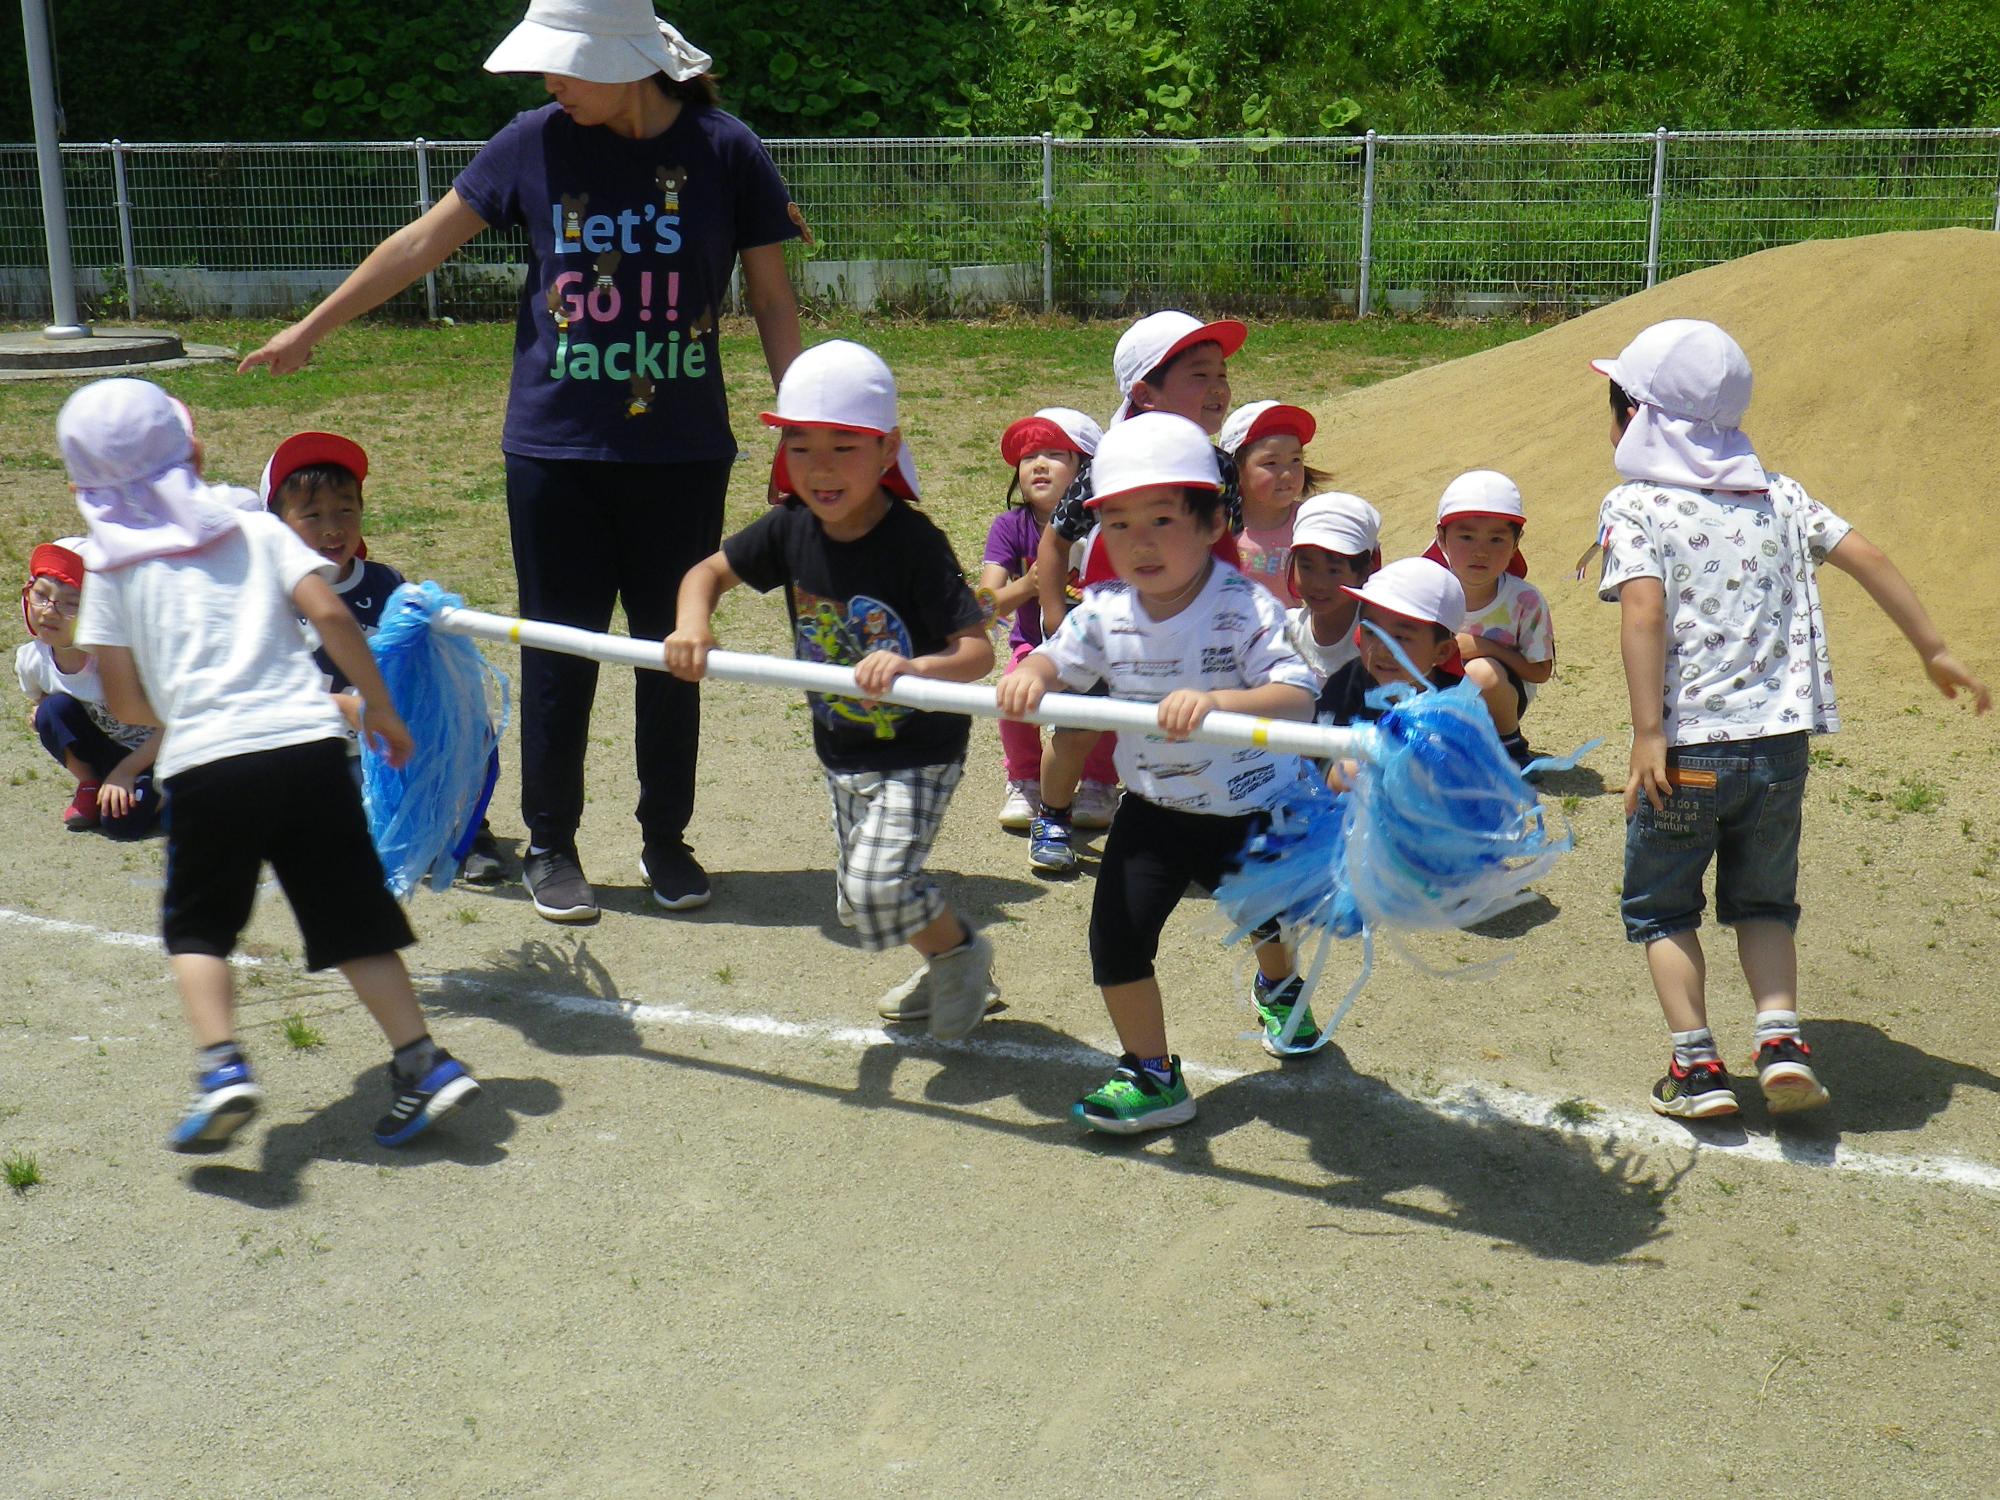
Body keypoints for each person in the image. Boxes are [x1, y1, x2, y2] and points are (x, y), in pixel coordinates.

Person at [238, 0, 806, 924]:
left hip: (682, 450)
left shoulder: (726, 149)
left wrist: (800, 424)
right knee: (555, 649)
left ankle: (666, 837)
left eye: (563, 68)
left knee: (674, 652)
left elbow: (774, 302)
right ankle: (552, 841)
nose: (549, 85)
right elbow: (422, 242)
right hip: (553, 452)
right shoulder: (530, 142)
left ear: (626, 64)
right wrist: (313, 327)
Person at [63, 378, 479, 1153]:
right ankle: (422, 1061)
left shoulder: (113, 572)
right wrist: (380, 708)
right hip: (308, 747)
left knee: (198, 928)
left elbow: (123, 695)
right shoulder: (253, 529)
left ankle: (222, 1067)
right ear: (192, 451)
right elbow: (327, 611)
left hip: (209, 765)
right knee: (353, 919)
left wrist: (189, 710)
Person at [1592, 318, 1988, 1120]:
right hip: (1777, 754)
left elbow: (1643, 609)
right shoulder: (1781, 495)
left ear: (1639, 417)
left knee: (1664, 908)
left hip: (1687, 752)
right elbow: (1867, 554)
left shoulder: (1635, 505)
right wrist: (1933, 648)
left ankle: (1697, 1068)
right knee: (1764, 901)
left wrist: (1646, 734)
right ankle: (1780, 1044)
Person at [997, 412, 1319, 1133]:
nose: (1138, 543)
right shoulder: (1106, 611)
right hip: (1151, 810)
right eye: (1117, 524)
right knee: (1116, 939)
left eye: (1162, 520)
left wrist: (1217, 702)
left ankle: (1280, 985)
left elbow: (1298, 693)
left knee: (1263, 921)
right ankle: (1151, 1073)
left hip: (1244, 807)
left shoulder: (1243, 608)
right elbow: (1062, 655)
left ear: (1211, 524)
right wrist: (1037, 672)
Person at [665, 340, 998, 1038]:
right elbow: (707, 574)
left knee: (879, 890)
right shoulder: (790, 527)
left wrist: (914, 672)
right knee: (860, 904)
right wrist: (693, 625)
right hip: (841, 751)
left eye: (844, 447)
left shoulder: (914, 544)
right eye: (800, 446)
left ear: (887, 452)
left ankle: (961, 955)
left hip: (920, 748)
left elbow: (974, 655)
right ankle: (945, 958)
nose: (819, 467)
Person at [1027, 310, 1249, 873]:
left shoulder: (1221, 468)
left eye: (1222, 373)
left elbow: (1230, 551)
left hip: (1190, 630)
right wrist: (1056, 617)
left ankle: (1177, 822)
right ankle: (1052, 813)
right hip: (1111, 625)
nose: (1219, 387)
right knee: (1077, 730)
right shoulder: (1110, 464)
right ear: (1145, 393)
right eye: (1199, 375)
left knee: (1184, 733)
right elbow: (1055, 542)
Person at [260, 431, 505, 883]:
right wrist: (347, 707)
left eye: (345, 510)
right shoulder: (268, 599)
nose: (333, 527)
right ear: (275, 526)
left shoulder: (386, 584)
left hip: (389, 738)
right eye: (312, 515)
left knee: (464, 728)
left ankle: (466, 832)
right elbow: (267, 694)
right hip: (320, 749)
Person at [979, 407, 1115, 829]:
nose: (1038, 463)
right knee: (1013, 695)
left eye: (1056, 453)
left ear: (1086, 469)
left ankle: (1098, 783)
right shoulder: (1010, 526)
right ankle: (1025, 781)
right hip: (1033, 647)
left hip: (1097, 647)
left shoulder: (1107, 524)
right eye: (1027, 456)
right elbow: (982, 607)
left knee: (1105, 703)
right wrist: (1028, 585)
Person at [15, 538, 161, 838]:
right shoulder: (32, 660)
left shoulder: (119, 663)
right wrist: (40, 712)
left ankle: (176, 791)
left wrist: (127, 771)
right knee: (50, 710)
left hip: (159, 754)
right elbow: (45, 699)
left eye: (71, 603)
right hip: (108, 750)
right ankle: (90, 782)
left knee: (122, 824)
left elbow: (174, 726)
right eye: (41, 595)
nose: (50, 611)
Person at [1432, 470, 1554, 766]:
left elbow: (1540, 672)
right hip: (1437, 695)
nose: (1480, 551)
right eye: (1466, 536)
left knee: (1481, 671)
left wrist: (1485, 648)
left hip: (1499, 693)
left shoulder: (1524, 600)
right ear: (1442, 538)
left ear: (1516, 543)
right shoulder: (1428, 590)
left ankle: (1510, 744)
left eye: (1497, 539)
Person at [1315, 557, 1467, 755]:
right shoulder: (1348, 683)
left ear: (1442, 651)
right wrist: (1332, 768)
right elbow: (1316, 746)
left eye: (1400, 637)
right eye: (1371, 632)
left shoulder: (1458, 700)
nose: (1381, 649)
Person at [1218, 400, 1329, 605]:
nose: (1287, 474)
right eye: (1271, 463)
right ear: (1235, 470)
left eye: (1295, 460)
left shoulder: (1310, 522)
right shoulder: (1218, 527)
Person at [1283, 492, 1381, 685]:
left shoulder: (1379, 642)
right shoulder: (1284, 629)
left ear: (1363, 572)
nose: (1319, 584)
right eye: (1307, 566)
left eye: (1334, 570)